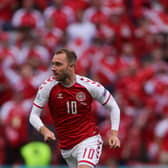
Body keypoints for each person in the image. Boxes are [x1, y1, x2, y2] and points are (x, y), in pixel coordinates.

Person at [29, 48, 120, 168]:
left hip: (89, 140)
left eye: (58, 64)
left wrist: (114, 134)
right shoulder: (47, 87)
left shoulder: (88, 86)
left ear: (71, 66)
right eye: (53, 64)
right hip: (66, 147)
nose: (53, 68)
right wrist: (44, 130)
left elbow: (113, 106)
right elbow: (33, 115)